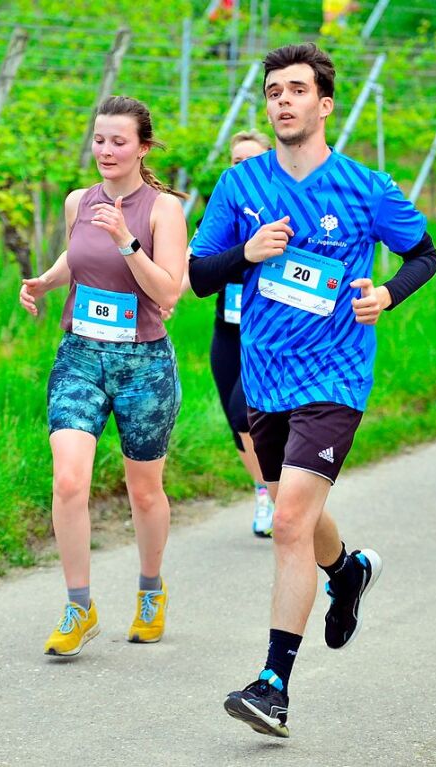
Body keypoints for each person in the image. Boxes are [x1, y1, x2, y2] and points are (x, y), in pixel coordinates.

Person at [189, 43, 436, 737]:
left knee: (289, 518)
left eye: (296, 90)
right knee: (303, 515)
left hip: (335, 375)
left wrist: (386, 292)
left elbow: (425, 253)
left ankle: (272, 683)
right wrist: (248, 252)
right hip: (263, 377)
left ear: (323, 105)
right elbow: (199, 276)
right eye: (273, 91)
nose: (283, 100)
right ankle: (348, 570)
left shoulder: (366, 188)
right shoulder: (240, 187)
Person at [19, 95, 188, 657]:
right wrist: (45, 281)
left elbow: (169, 293)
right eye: (99, 140)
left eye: (119, 141)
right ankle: (78, 605)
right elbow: (77, 257)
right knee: (68, 481)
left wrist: (124, 238)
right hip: (80, 356)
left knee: (144, 492)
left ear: (143, 147)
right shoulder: (77, 201)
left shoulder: (163, 210)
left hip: (144, 364)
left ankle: (149, 589)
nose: (106, 151)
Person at [199, 130, 278, 537]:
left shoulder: (284, 211)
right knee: (238, 427)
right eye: (236, 162)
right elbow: (197, 267)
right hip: (226, 331)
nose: (243, 168)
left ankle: (275, 495)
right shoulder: (220, 214)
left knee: (242, 413)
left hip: (266, 336)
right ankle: (267, 492)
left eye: (252, 160)